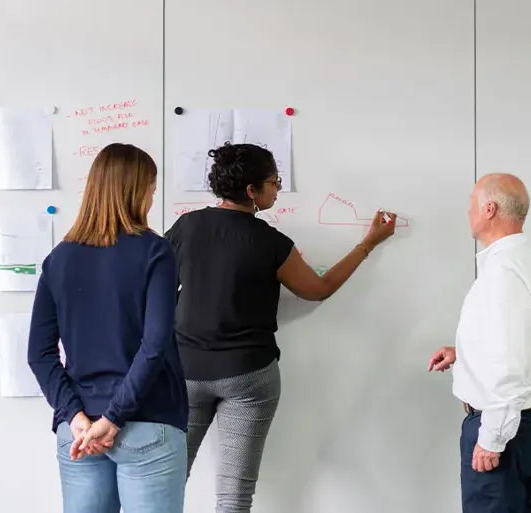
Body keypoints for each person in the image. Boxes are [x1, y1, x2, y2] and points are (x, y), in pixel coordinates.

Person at [163, 142, 397, 512]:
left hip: (185, 371)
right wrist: (367, 244)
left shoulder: (186, 227)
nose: (278, 188)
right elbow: (316, 290)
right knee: (234, 497)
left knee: (168, 480)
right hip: (248, 376)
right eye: (273, 182)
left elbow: (158, 288)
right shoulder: (271, 243)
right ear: (251, 191)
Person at [27, 143, 189, 513]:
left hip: (79, 428)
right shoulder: (155, 252)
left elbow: (39, 354)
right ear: (136, 190)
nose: (152, 197)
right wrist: (114, 417)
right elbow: (154, 344)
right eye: (151, 187)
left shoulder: (59, 258)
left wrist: (76, 416)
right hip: (147, 422)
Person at [428, 173, 531, 513]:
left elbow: (507, 366)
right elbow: (522, 339)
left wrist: (492, 440)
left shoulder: (503, 271)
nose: (468, 212)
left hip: (507, 425)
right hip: (530, 421)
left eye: (472, 205)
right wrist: (464, 354)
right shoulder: (529, 259)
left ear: (489, 209)